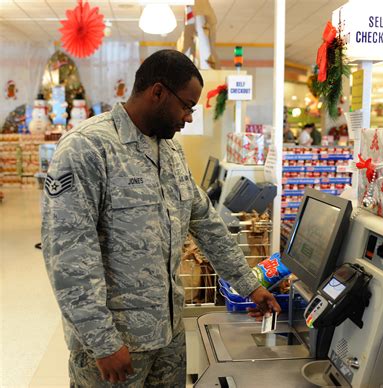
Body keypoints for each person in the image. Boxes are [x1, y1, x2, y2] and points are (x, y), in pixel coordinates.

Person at [41, 49, 281, 387]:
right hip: (116, 347)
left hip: (168, 338)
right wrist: (102, 340)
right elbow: (68, 255)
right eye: (186, 106)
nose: (187, 117)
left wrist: (249, 285)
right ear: (157, 92)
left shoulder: (170, 152)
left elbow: (206, 223)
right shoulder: (87, 149)